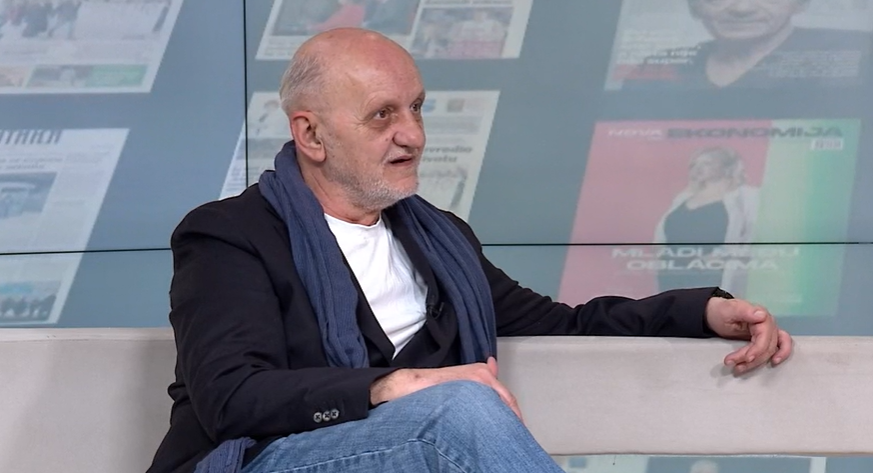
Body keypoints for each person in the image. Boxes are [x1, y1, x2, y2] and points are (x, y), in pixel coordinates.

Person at [146, 27, 793, 473]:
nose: (413, 135)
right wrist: (397, 385)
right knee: (457, 407)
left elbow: (562, 325)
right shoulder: (229, 234)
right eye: (382, 115)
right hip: (268, 459)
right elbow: (231, 395)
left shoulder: (439, 239)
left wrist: (699, 311)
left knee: (455, 407)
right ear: (311, 135)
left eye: (417, 109)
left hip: (401, 457)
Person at [621, 0, 872, 89]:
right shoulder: (654, 71)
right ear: (694, 7)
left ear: (800, 3)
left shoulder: (858, 52)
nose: (742, 8)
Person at [653, 146, 759, 294]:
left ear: (726, 167)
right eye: (694, 164)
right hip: (673, 275)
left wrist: (724, 258)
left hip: (713, 278)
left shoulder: (745, 197)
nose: (698, 168)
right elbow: (662, 237)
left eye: (706, 163)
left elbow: (752, 236)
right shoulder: (683, 197)